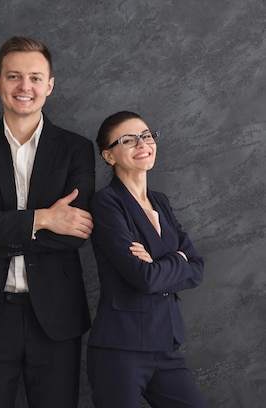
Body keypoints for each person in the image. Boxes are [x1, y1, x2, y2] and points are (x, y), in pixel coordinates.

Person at [0, 36, 95, 408]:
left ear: (50, 85)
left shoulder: (76, 148)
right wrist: (44, 218)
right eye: (14, 76)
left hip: (56, 316)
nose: (24, 87)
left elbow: (75, 232)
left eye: (34, 77)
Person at [86, 111, 208, 407]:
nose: (142, 144)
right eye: (128, 140)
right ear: (109, 155)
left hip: (166, 343)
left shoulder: (161, 202)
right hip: (121, 347)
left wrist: (162, 262)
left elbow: (197, 269)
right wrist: (177, 258)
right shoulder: (105, 203)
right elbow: (143, 277)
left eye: (146, 135)